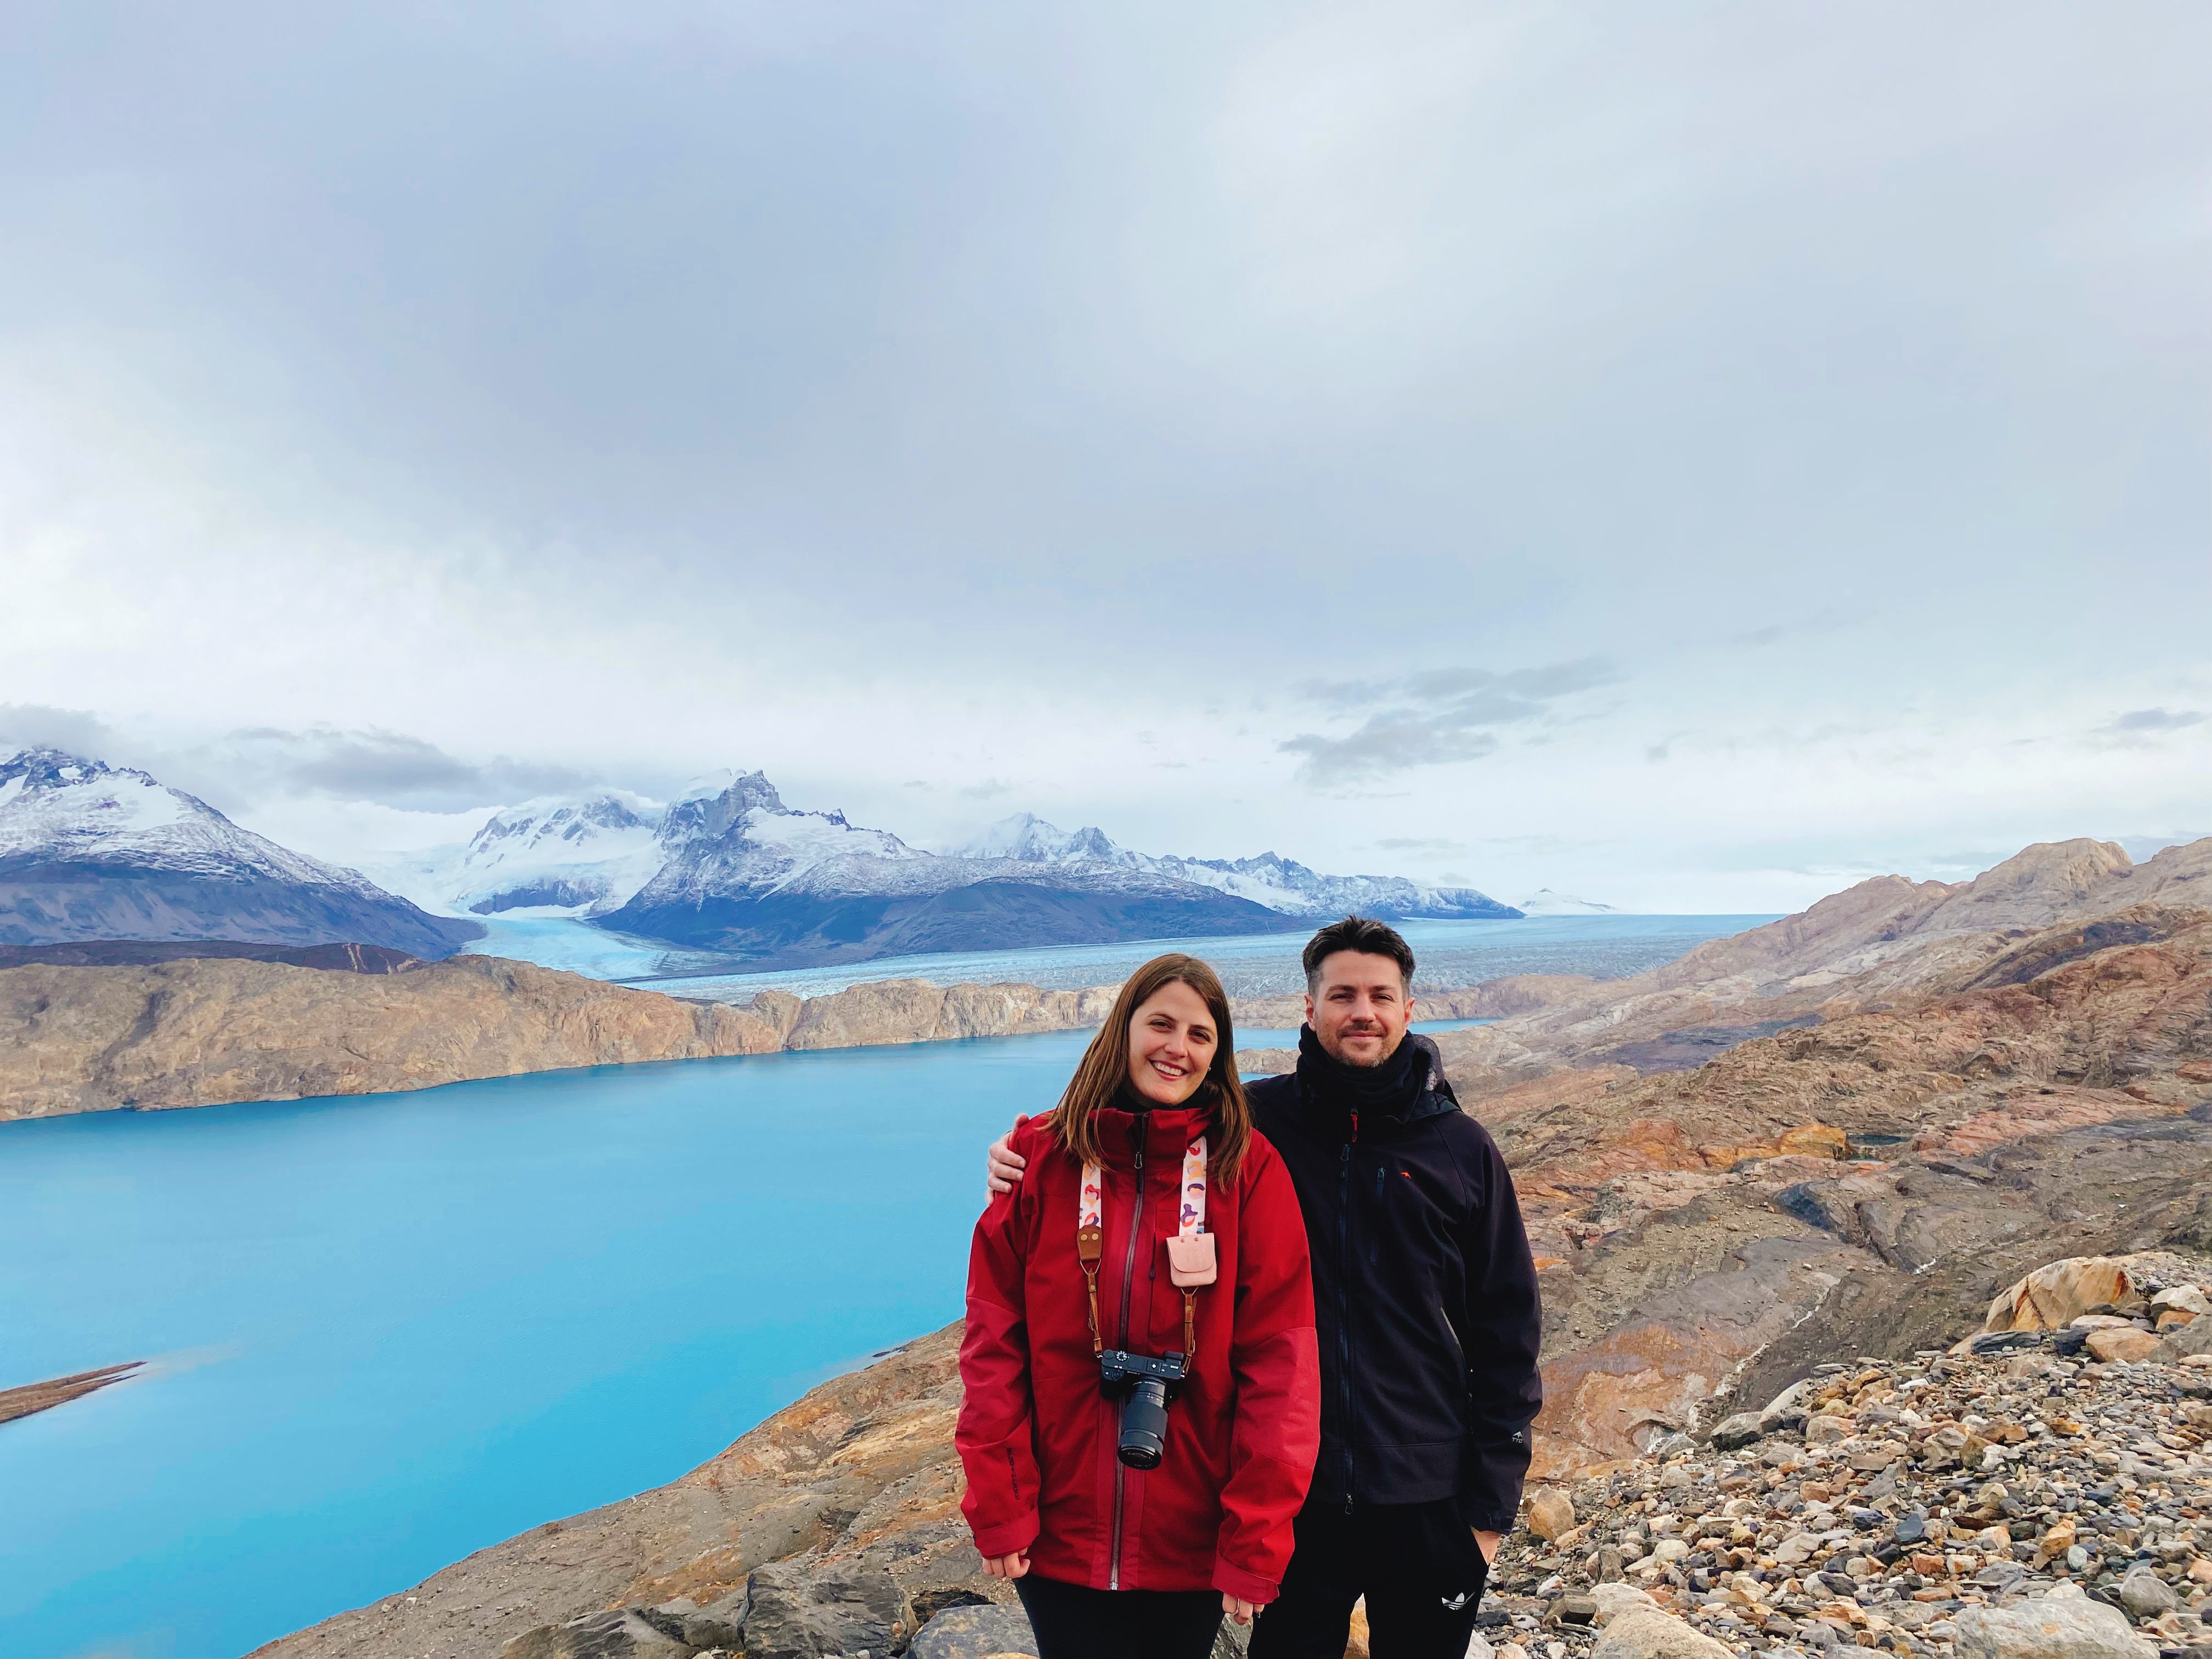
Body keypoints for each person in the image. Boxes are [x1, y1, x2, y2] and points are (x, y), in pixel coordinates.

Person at [987, 917, 1542, 1659]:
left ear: (1409, 1009)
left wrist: (1489, 1510)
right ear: (1309, 1008)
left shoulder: (1460, 1149)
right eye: (1342, 995)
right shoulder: (1246, 1131)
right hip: (1297, 1508)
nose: (1363, 1012)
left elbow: (1508, 1329)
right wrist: (1022, 1154)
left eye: (1381, 996)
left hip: (1428, 1494)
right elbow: (1140, 1135)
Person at [957, 952, 1321, 1659]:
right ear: (1123, 1027)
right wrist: (1000, 1503)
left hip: (1191, 1536)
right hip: (1058, 1533)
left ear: (1217, 1055)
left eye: (1200, 1034)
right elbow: (993, 1345)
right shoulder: (1040, 1157)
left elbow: (1282, 1371)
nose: (1177, 1048)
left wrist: (1254, 1537)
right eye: (1161, 1024)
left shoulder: (1246, 1170)